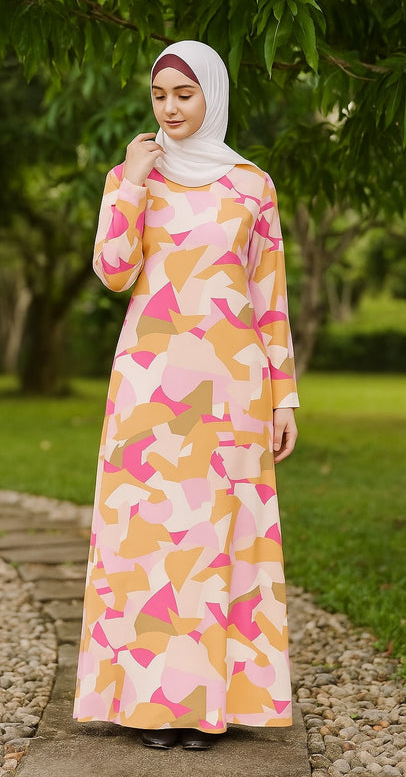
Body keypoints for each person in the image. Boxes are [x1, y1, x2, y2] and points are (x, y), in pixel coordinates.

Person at [74, 40, 299, 751]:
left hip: (233, 389)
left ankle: (210, 704)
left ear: (212, 96)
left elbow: (269, 300)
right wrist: (133, 182)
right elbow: (113, 272)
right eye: (159, 94)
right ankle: (148, 706)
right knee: (146, 541)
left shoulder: (250, 185)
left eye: (184, 94)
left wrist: (284, 398)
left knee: (214, 543)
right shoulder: (131, 175)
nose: (170, 108)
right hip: (148, 387)